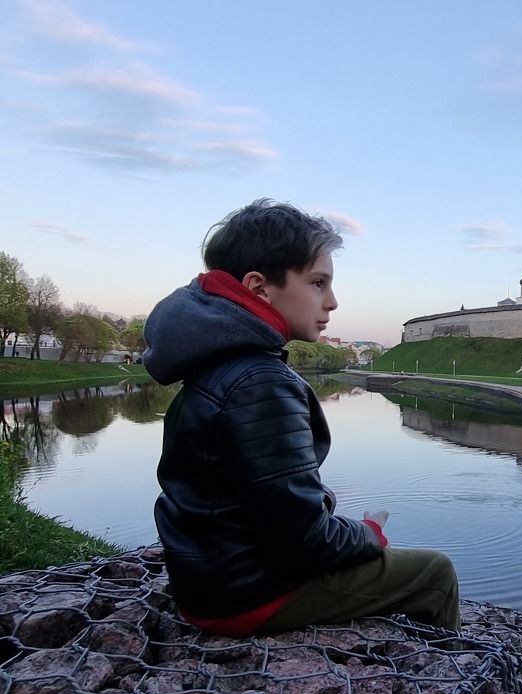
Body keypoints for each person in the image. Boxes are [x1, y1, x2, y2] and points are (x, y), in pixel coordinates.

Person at [144, 199, 460, 636]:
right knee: (435, 574)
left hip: (209, 580)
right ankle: (448, 669)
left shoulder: (216, 363)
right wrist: (370, 533)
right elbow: (309, 540)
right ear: (259, 287)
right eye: (317, 283)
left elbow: (254, 497)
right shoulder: (261, 382)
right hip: (249, 595)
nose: (332, 302)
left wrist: (322, 507)